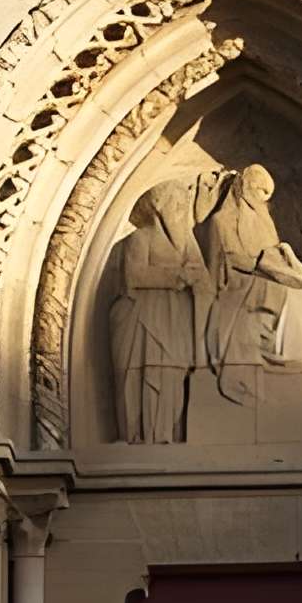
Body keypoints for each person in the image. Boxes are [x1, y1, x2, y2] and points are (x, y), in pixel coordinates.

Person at [199, 165, 302, 402]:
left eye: (265, 195)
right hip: (238, 284)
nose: (261, 200)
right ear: (244, 188)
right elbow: (227, 259)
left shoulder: (264, 220)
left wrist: (285, 267)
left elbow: (274, 253)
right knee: (289, 295)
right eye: (258, 192)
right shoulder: (222, 220)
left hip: (266, 277)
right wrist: (262, 263)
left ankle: (296, 360)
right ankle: (285, 361)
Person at [109, 182, 207, 444]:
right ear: (159, 208)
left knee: (171, 375)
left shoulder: (187, 243)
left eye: (183, 207)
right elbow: (134, 275)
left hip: (174, 321)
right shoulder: (140, 238)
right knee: (139, 375)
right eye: (175, 205)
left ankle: (166, 436)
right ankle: (136, 436)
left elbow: (203, 278)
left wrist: (193, 277)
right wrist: (177, 275)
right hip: (142, 318)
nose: (180, 212)